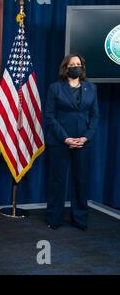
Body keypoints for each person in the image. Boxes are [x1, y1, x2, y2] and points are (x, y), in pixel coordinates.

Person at [45, 54, 99, 231]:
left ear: (82, 67)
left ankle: (80, 219)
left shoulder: (91, 88)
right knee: (57, 181)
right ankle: (54, 218)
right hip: (60, 142)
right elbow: (50, 117)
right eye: (72, 64)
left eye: (79, 64)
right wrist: (65, 138)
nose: (76, 67)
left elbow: (94, 116)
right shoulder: (55, 88)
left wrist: (85, 137)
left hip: (83, 142)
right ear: (65, 68)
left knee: (81, 181)